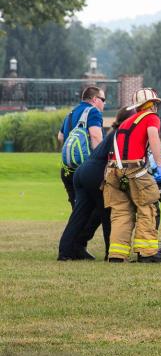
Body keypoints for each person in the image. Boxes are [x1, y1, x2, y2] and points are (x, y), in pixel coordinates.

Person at [57, 107, 133, 261]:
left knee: (79, 214)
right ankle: (110, 253)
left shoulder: (113, 133)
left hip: (81, 172)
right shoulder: (121, 134)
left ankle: (65, 252)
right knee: (107, 212)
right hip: (95, 174)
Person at [103, 88, 161, 263]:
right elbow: (153, 138)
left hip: (113, 171)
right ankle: (147, 253)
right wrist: (159, 165)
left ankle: (116, 254)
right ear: (152, 104)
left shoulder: (126, 121)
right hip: (135, 170)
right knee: (147, 207)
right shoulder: (151, 117)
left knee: (121, 212)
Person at [57, 86, 106, 208]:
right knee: (98, 208)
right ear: (95, 99)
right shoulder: (93, 111)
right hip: (86, 169)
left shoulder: (71, 113)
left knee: (77, 211)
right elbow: (95, 137)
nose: (104, 103)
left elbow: (60, 137)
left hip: (68, 170)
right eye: (103, 99)